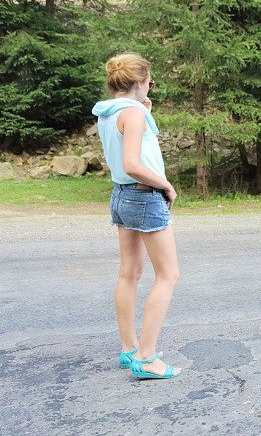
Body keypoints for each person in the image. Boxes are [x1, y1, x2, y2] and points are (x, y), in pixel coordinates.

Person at [91, 52, 181, 379]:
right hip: (143, 195)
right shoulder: (133, 114)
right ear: (138, 82)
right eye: (149, 82)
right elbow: (133, 163)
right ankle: (147, 357)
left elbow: (125, 156)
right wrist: (166, 185)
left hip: (120, 195)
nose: (150, 87)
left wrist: (143, 111)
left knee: (129, 272)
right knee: (168, 276)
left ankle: (130, 349)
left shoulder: (109, 111)